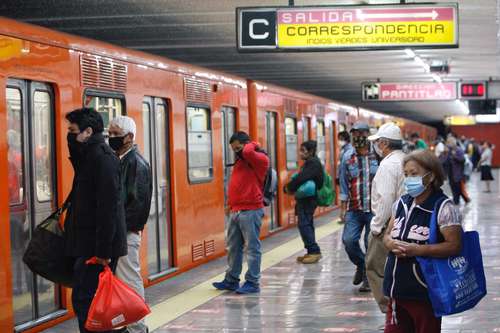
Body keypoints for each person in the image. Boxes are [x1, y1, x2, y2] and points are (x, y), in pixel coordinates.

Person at [383, 149, 462, 333]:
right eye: (406, 174)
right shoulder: (401, 203)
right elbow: (387, 234)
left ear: (431, 176)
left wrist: (418, 250)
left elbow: (455, 245)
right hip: (396, 291)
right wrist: (390, 243)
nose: (409, 179)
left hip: (426, 292)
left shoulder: (443, 207)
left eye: (414, 174)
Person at [64, 108, 127, 333]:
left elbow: (108, 208)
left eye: (72, 131)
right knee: (88, 301)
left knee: (88, 302)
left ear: (88, 131)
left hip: (97, 248)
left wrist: (103, 252)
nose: (69, 135)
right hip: (89, 242)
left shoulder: (103, 159)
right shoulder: (90, 156)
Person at [109, 116, 153, 333]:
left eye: (116, 134)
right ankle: (129, 324)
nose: (111, 138)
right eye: (110, 133)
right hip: (121, 231)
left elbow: (136, 206)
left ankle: (137, 327)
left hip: (126, 233)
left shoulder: (136, 163)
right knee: (123, 279)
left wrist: (117, 231)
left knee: (129, 279)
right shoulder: (122, 160)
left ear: (129, 137)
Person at [213, 131, 269, 294]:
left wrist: (252, 144)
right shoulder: (241, 161)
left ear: (246, 144)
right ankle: (232, 279)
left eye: (238, 148)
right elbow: (237, 185)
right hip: (236, 210)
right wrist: (229, 204)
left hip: (251, 210)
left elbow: (247, 151)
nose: (236, 152)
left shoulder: (260, 159)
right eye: (233, 149)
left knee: (252, 248)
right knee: (233, 247)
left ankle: (253, 282)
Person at [366, 123, 405, 314]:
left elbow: (386, 199)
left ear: (383, 143)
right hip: (404, 224)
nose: (376, 147)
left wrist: (377, 227)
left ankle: (390, 312)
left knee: (375, 268)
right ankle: (399, 311)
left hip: (388, 226)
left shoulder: (388, 165)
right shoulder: (405, 160)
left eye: (377, 142)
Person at [339, 122, 378, 292]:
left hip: (374, 209)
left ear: (368, 134)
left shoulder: (378, 155)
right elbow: (343, 183)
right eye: (355, 133)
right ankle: (361, 265)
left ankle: (368, 278)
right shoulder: (347, 157)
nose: (359, 137)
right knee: (348, 241)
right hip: (354, 209)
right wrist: (342, 208)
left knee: (370, 244)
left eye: (362, 133)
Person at [284, 140, 324, 264]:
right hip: (306, 199)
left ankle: (314, 251)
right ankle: (311, 251)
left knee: (304, 224)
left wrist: (289, 187)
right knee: (307, 223)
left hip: (308, 199)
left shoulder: (313, 163)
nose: (300, 153)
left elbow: (303, 177)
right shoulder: (311, 162)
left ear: (311, 151)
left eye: (303, 150)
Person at [441, 136, 469, 205]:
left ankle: (458, 200)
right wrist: (444, 154)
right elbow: (444, 161)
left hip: (458, 173)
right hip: (450, 172)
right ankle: (459, 199)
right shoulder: (448, 151)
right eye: (447, 142)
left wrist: (454, 156)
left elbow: (462, 160)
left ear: (453, 143)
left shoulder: (458, 150)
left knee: (458, 188)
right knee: (453, 186)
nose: (447, 144)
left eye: (449, 142)